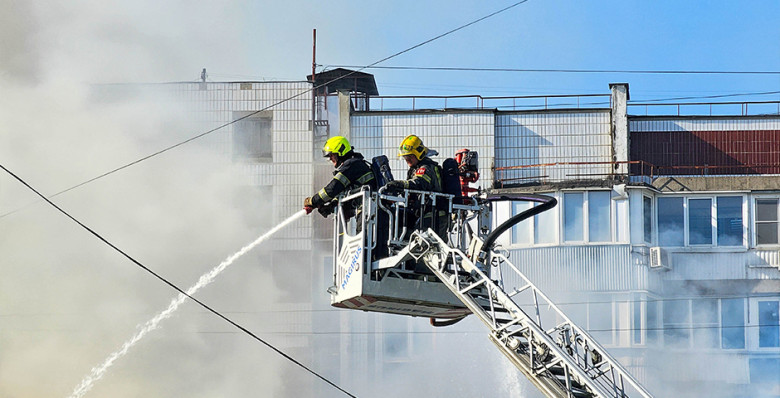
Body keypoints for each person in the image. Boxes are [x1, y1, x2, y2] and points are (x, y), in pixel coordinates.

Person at [384, 135, 448, 239]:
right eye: (405, 157)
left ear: (419, 154)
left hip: (433, 216)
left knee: (427, 249)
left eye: (409, 156)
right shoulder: (416, 168)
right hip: (425, 214)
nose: (406, 159)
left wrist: (399, 184)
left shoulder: (426, 168)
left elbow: (418, 183)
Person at [303, 136, 377, 218]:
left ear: (340, 152)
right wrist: (331, 206)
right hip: (372, 211)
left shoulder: (351, 165)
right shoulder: (354, 164)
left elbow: (332, 189)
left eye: (331, 155)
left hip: (371, 212)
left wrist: (313, 201)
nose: (330, 159)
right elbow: (343, 193)